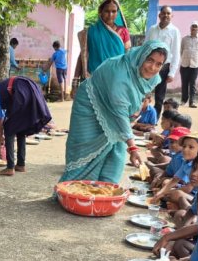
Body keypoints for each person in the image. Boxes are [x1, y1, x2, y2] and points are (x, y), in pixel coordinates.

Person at [58, 41, 168, 184]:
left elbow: (135, 97)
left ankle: (105, 189)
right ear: (142, 56)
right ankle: (74, 190)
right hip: (91, 104)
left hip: (118, 109)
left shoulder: (151, 76)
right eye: (149, 60)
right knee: (86, 147)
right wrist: (133, 147)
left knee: (116, 147)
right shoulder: (120, 73)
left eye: (159, 64)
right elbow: (119, 113)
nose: (153, 67)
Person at [0, 77, 52, 176]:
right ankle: (20, 164)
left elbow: (0, 125)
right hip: (28, 88)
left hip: (22, 89)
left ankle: (10, 167)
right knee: (20, 128)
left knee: (9, 128)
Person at [81, 0, 132, 77]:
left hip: (116, 78)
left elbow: (128, 56)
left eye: (114, 11)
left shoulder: (123, 31)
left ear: (117, 13)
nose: (110, 15)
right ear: (100, 12)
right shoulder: (91, 31)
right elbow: (83, 54)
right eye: (107, 11)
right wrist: (75, 78)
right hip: (94, 77)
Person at [146, 6, 181, 114]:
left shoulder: (174, 31)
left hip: (163, 68)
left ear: (171, 16)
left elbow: (175, 53)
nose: (166, 15)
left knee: (159, 97)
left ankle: (154, 120)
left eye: (168, 13)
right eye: (164, 13)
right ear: (159, 15)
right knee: (144, 92)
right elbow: (145, 47)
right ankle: (140, 117)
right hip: (148, 67)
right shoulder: (152, 29)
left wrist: (172, 73)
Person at [180, 21, 198, 108]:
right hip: (185, 64)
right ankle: (183, 100)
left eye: (196, 27)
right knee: (184, 83)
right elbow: (181, 50)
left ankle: (192, 102)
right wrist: (183, 58)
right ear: (190, 28)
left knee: (193, 83)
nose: (194, 28)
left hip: (195, 64)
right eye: (192, 26)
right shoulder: (184, 39)